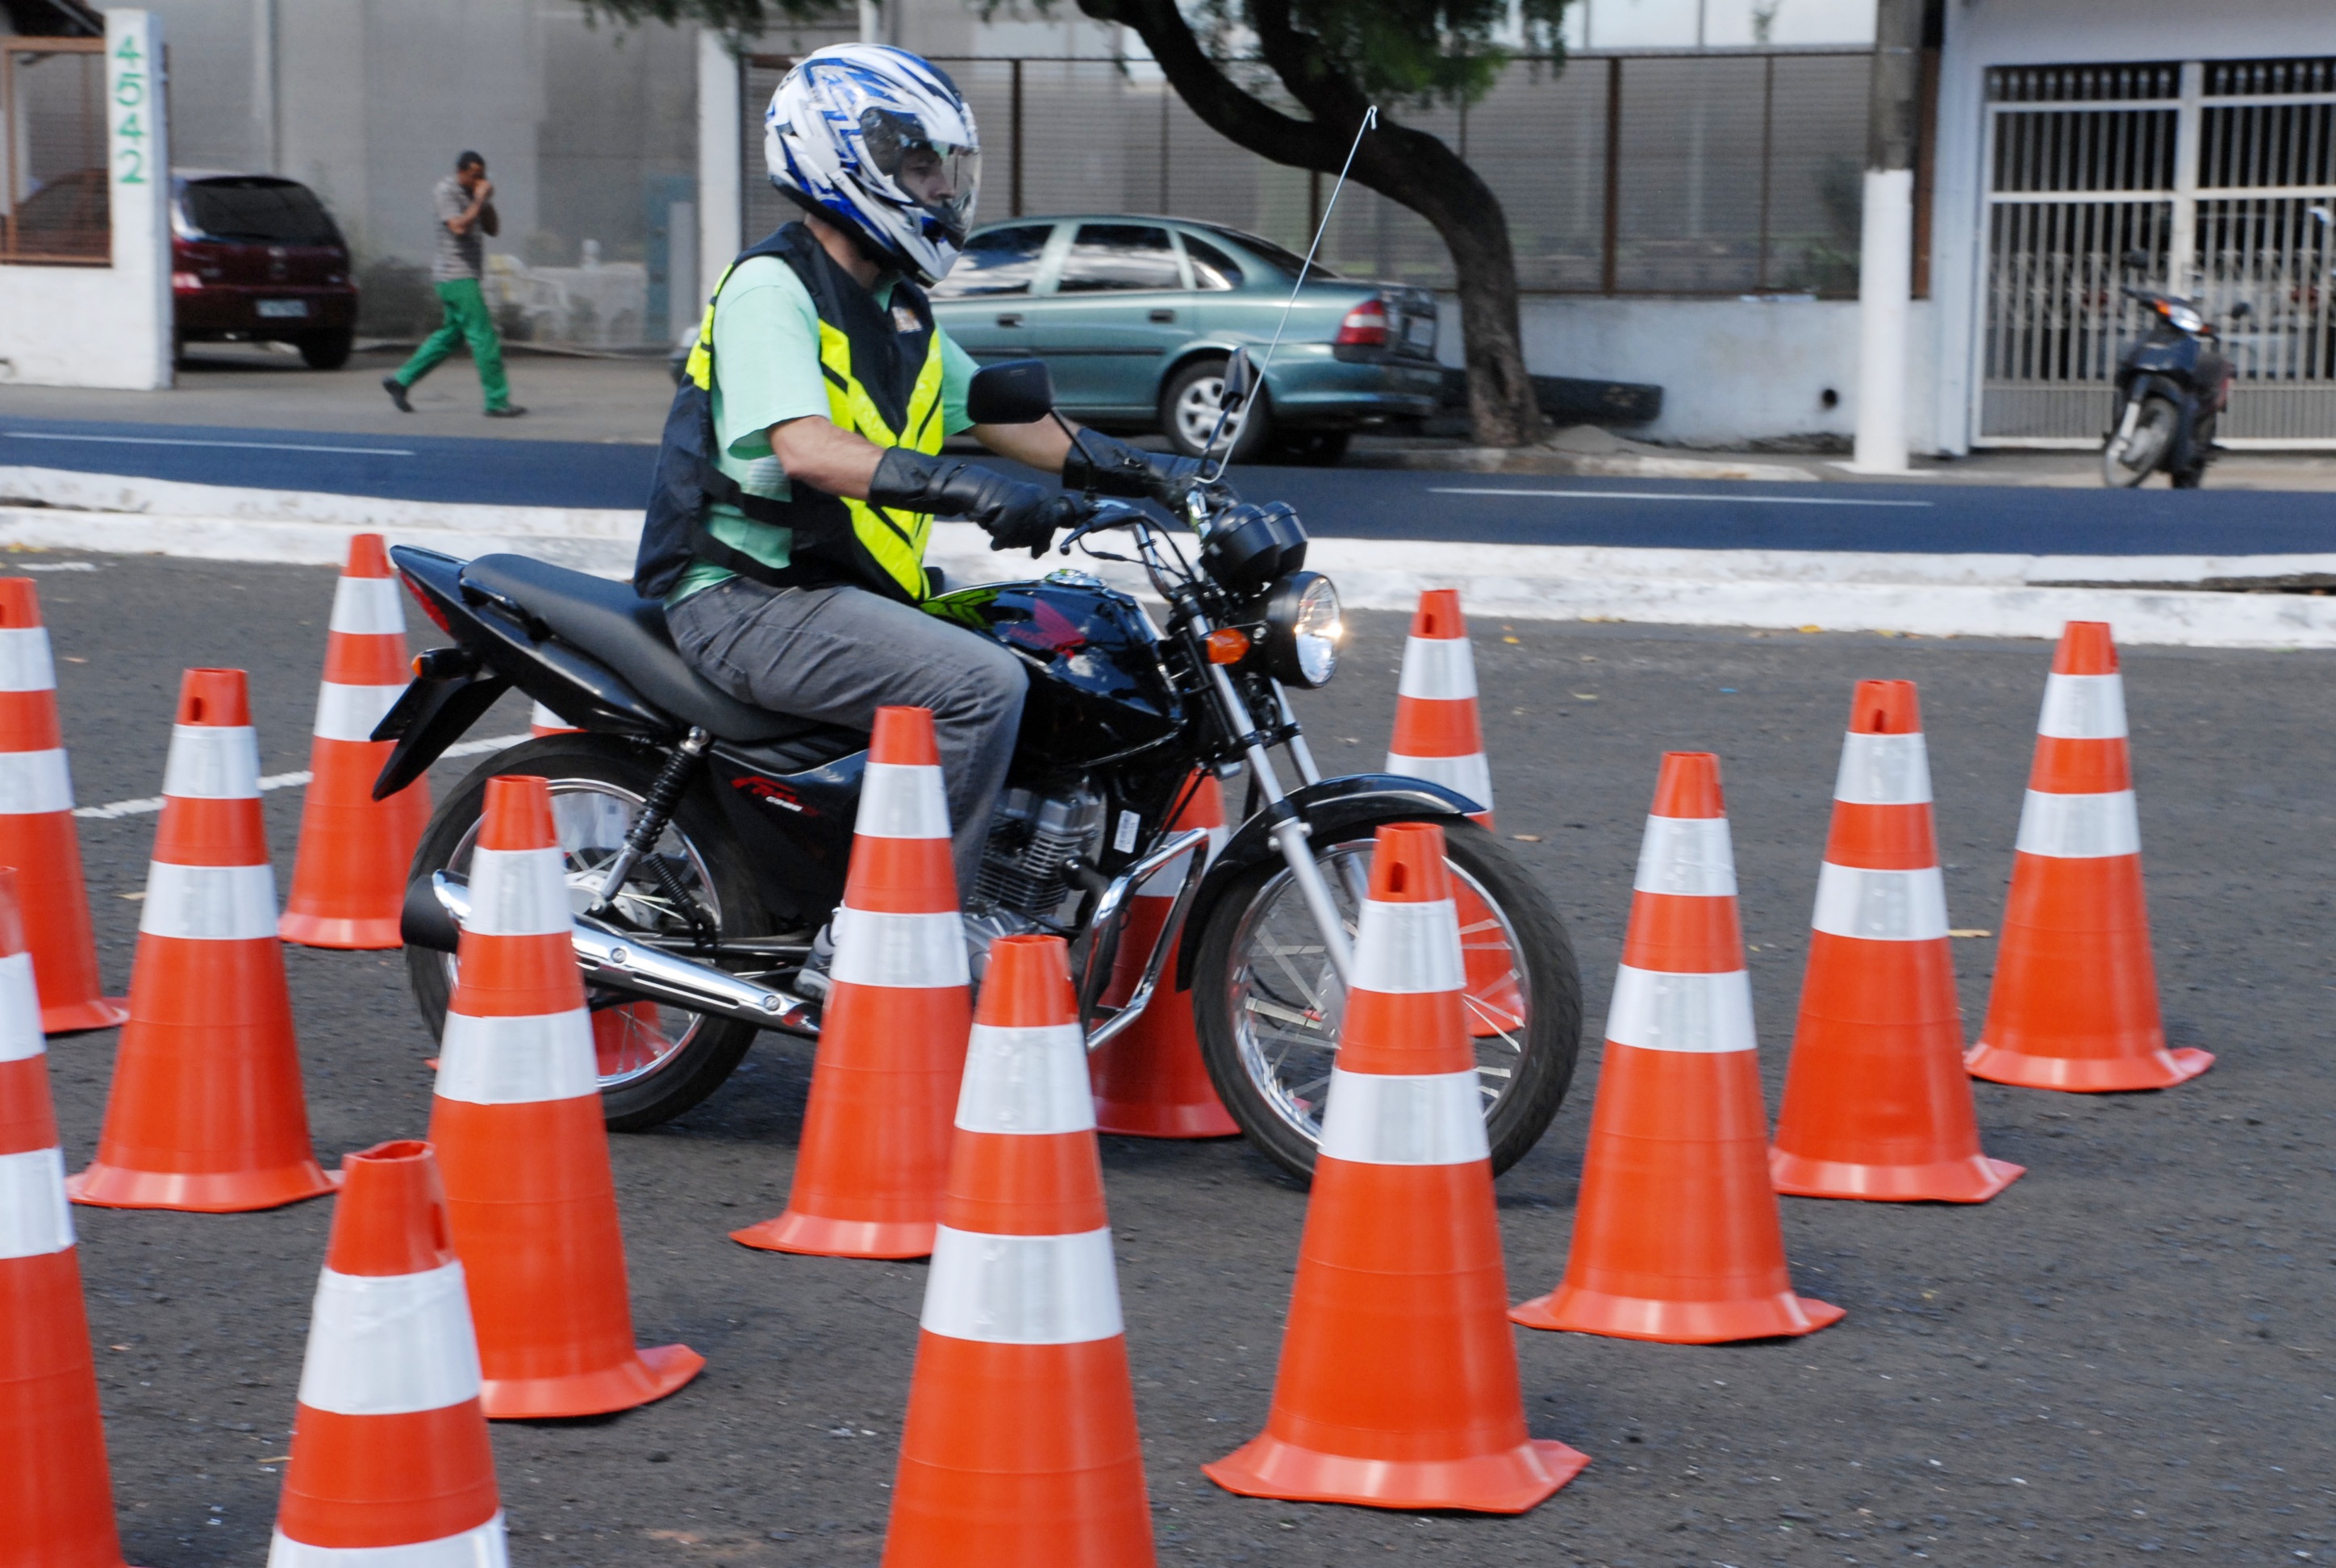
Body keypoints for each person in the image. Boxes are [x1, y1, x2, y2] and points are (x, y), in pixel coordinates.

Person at [633, 44, 1194, 990]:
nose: (938, 188)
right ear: (843, 158)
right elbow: (807, 448)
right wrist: (967, 491)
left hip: (837, 592)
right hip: (744, 595)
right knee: (979, 687)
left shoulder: (898, 311)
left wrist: (1153, 472)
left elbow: (1008, 420)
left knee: (1047, 651)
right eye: (920, 165)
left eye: (942, 168)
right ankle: (890, 929)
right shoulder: (773, 288)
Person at [383, 152, 525, 418]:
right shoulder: (445, 191)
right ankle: (497, 401)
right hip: (455, 275)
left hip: (465, 275)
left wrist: (486, 201)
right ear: (460, 172)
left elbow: (493, 229)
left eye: (481, 176)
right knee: (484, 337)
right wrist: (479, 198)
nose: (478, 181)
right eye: (474, 176)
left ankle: (400, 381)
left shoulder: (474, 194)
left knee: (451, 336)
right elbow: (458, 227)